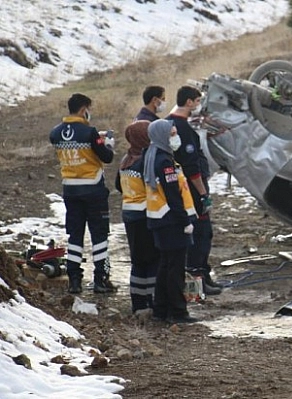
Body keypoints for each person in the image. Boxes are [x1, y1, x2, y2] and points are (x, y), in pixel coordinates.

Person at [49, 93, 116, 294]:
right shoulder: (90, 132)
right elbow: (106, 156)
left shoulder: (56, 133)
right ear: (83, 109)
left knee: (75, 236)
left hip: (70, 190)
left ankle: (74, 281)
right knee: (99, 235)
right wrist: (108, 144)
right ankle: (100, 279)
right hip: (93, 189)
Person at [166, 85, 223, 296]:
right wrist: (203, 194)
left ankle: (202, 274)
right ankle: (198, 277)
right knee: (202, 233)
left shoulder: (167, 123)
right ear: (189, 102)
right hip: (191, 190)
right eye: (197, 101)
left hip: (180, 189)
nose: (198, 106)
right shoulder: (182, 129)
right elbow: (192, 168)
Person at [144, 119, 198, 324]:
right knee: (175, 269)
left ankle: (161, 309)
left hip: (160, 220)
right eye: (172, 134)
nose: (176, 138)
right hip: (171, 221)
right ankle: (177, 311)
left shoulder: (153, 155)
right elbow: (173, 194)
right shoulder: (164, 161)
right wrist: (184, 220)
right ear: (162, 136)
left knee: (166, 266)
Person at [116, 119, 159, 313]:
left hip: (129, 214)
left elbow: (118, 185)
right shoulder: (145, 160)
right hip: (144, 215)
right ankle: (149, 301)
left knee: (138, 259)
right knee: (150, 259)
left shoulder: (126, 160)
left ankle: (138, 301)